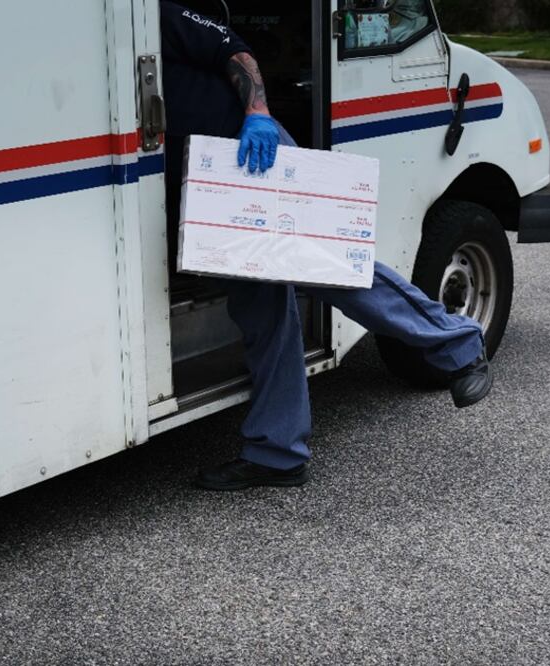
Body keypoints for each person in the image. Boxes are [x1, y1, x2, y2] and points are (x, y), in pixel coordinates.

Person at [159, 1, 492, 491]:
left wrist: (257, 115)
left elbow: (236, 52)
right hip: (208, 182)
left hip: (251, 150)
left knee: (335, 267)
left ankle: (457, 343)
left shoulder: (154, 13)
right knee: (260, 310)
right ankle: (277, 452)